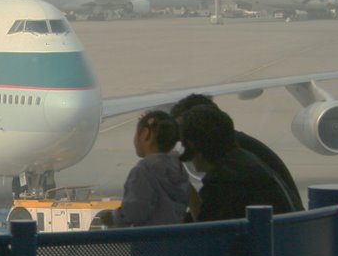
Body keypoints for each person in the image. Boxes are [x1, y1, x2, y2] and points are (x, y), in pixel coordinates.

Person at [171, 93, 302, 213]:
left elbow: (205, 227)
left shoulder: (227, 177)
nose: (180, 141)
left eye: (184, 136)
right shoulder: (241, 156)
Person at [114, 110, 191, 227]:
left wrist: (115, 217)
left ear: (146, 134)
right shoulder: (179, 169)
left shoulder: (143, 171)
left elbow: (135, 213)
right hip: (175, 238)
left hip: (151, 241)